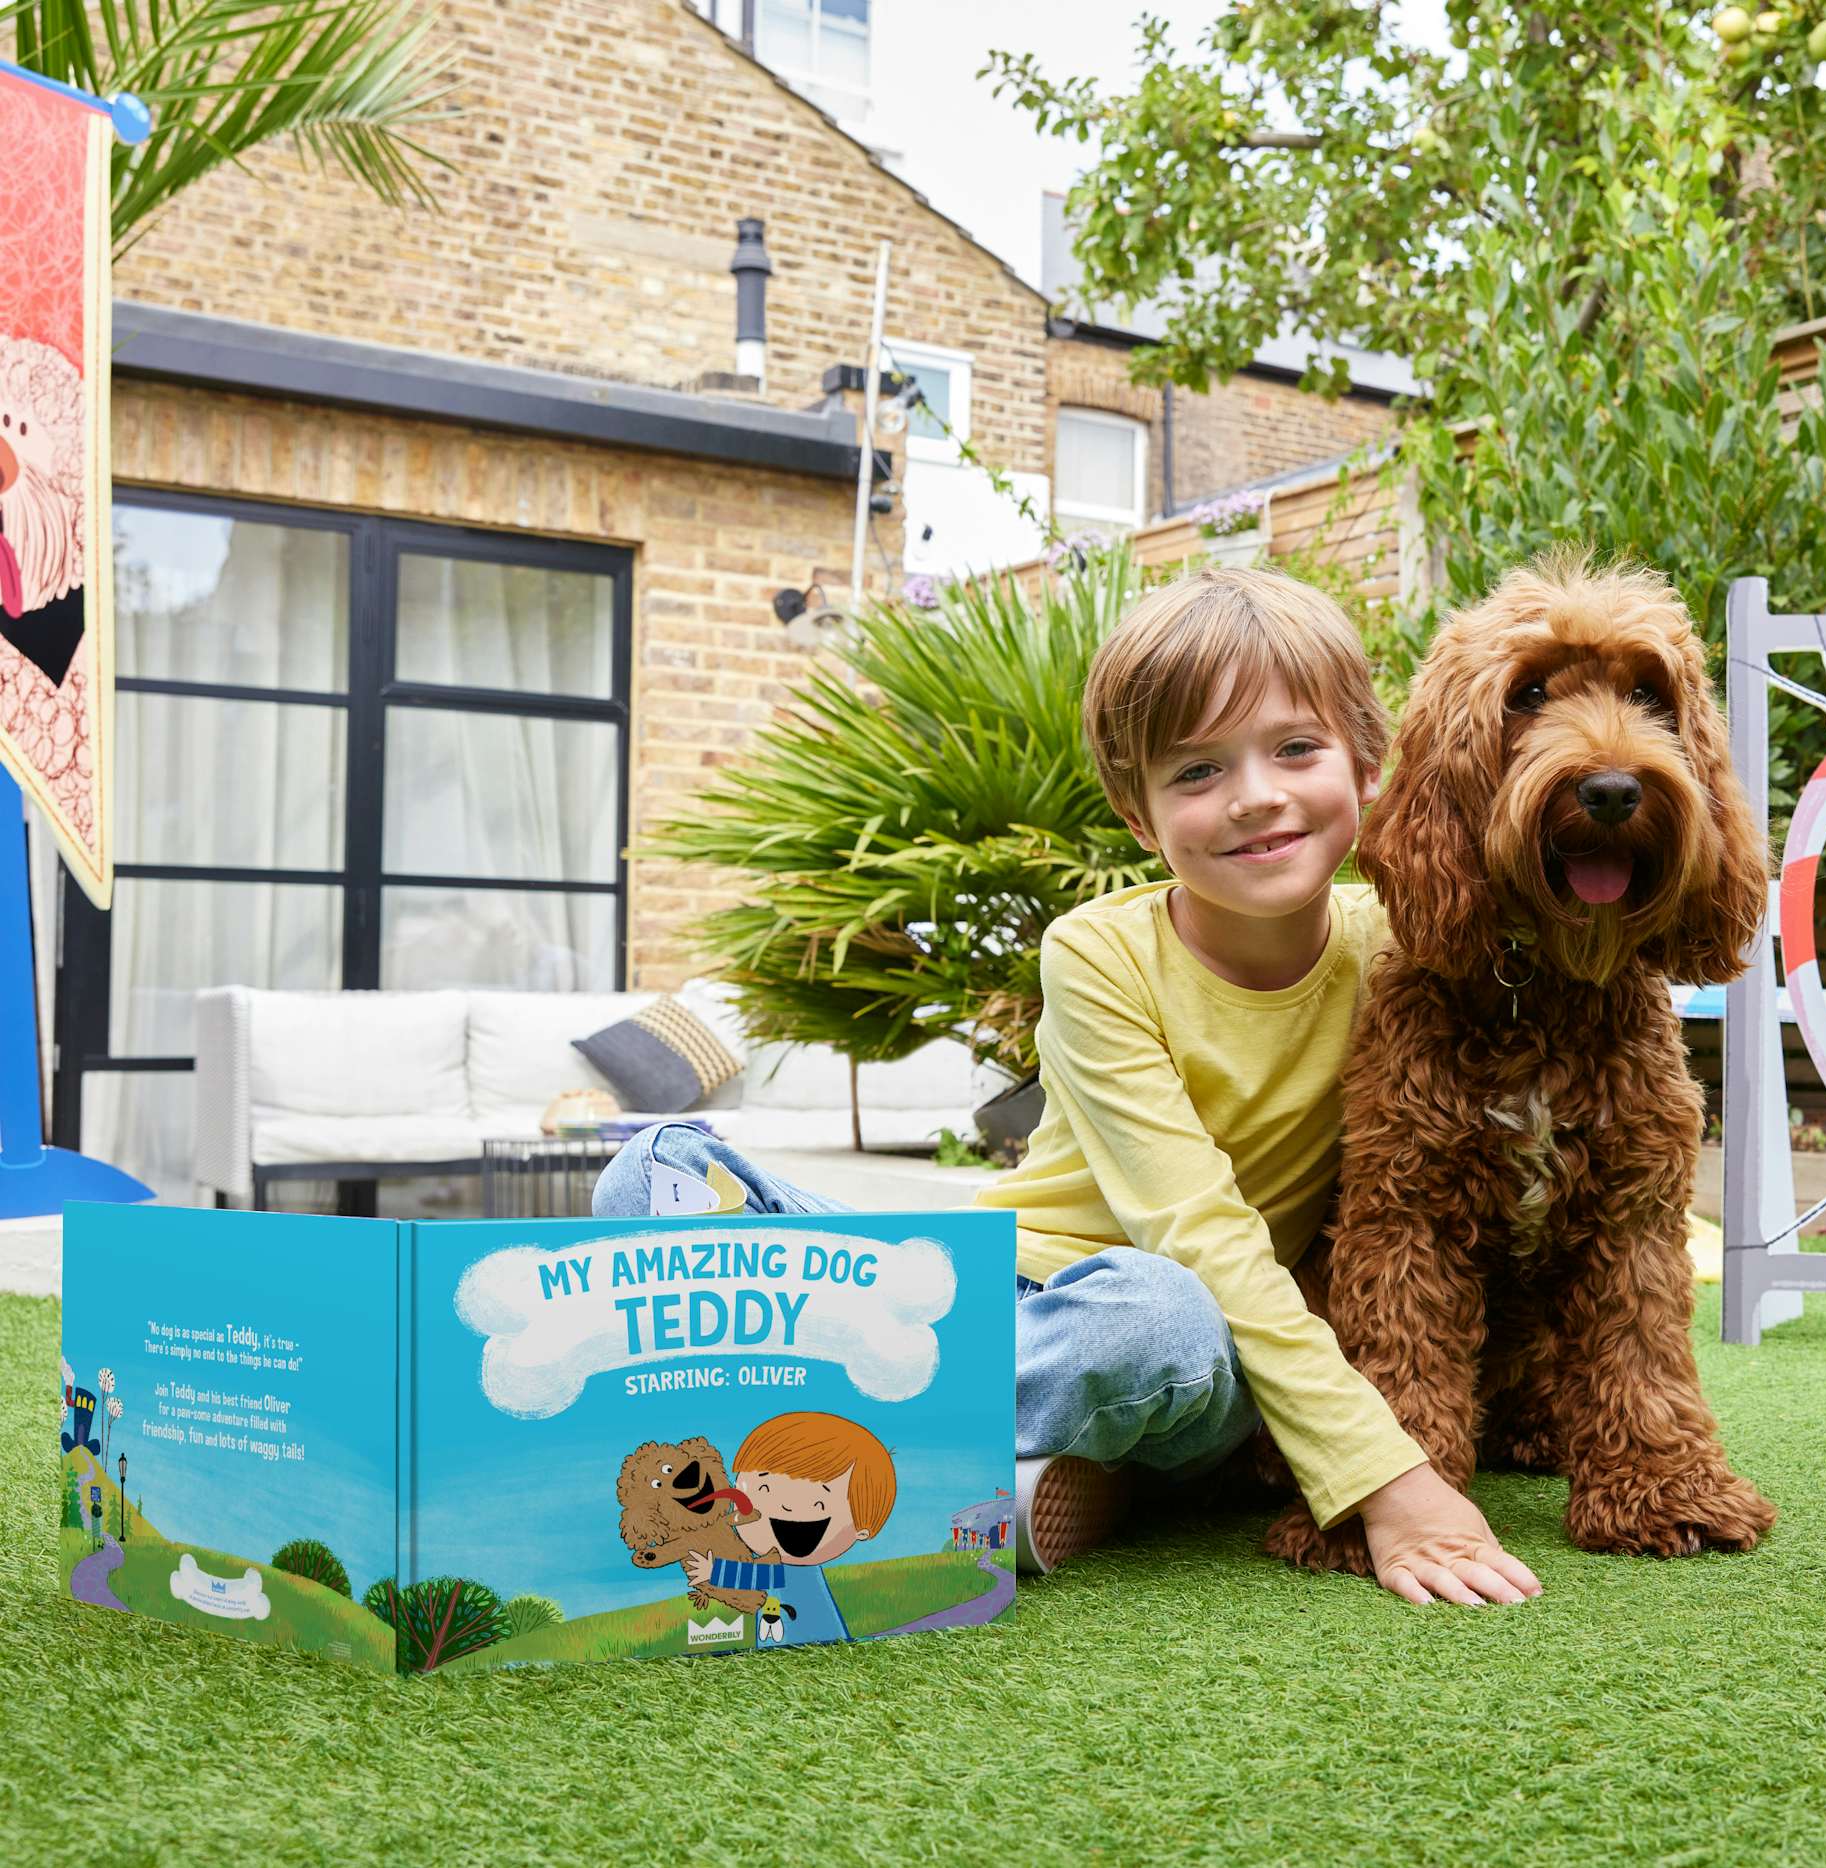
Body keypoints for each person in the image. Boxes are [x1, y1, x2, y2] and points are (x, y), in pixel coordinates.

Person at [596, 567, 1541, 1609]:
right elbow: (1187, 1211)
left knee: (1154, 1319)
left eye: (1295, 748)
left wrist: (1384, 1461)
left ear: (1366, 765)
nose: (1255, 793)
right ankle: (959, 1460)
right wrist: (1389, 1477)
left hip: (1183, 1333)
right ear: (1139, 816)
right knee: (660, 1164)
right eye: (1195, 770)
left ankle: (790, 1441)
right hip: (977, 1289)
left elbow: (1207, 1261)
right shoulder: (1097, 952)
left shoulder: (1402, 949)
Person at [678, 1411, 896, 1649]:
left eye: (817, 1503)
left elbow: (759, 1577)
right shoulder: (786, 1566)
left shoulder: (792, 1572)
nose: (787, 1506)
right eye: (764, 1488)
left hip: (806, 1637)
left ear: (862, 1528)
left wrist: (715, 1571)